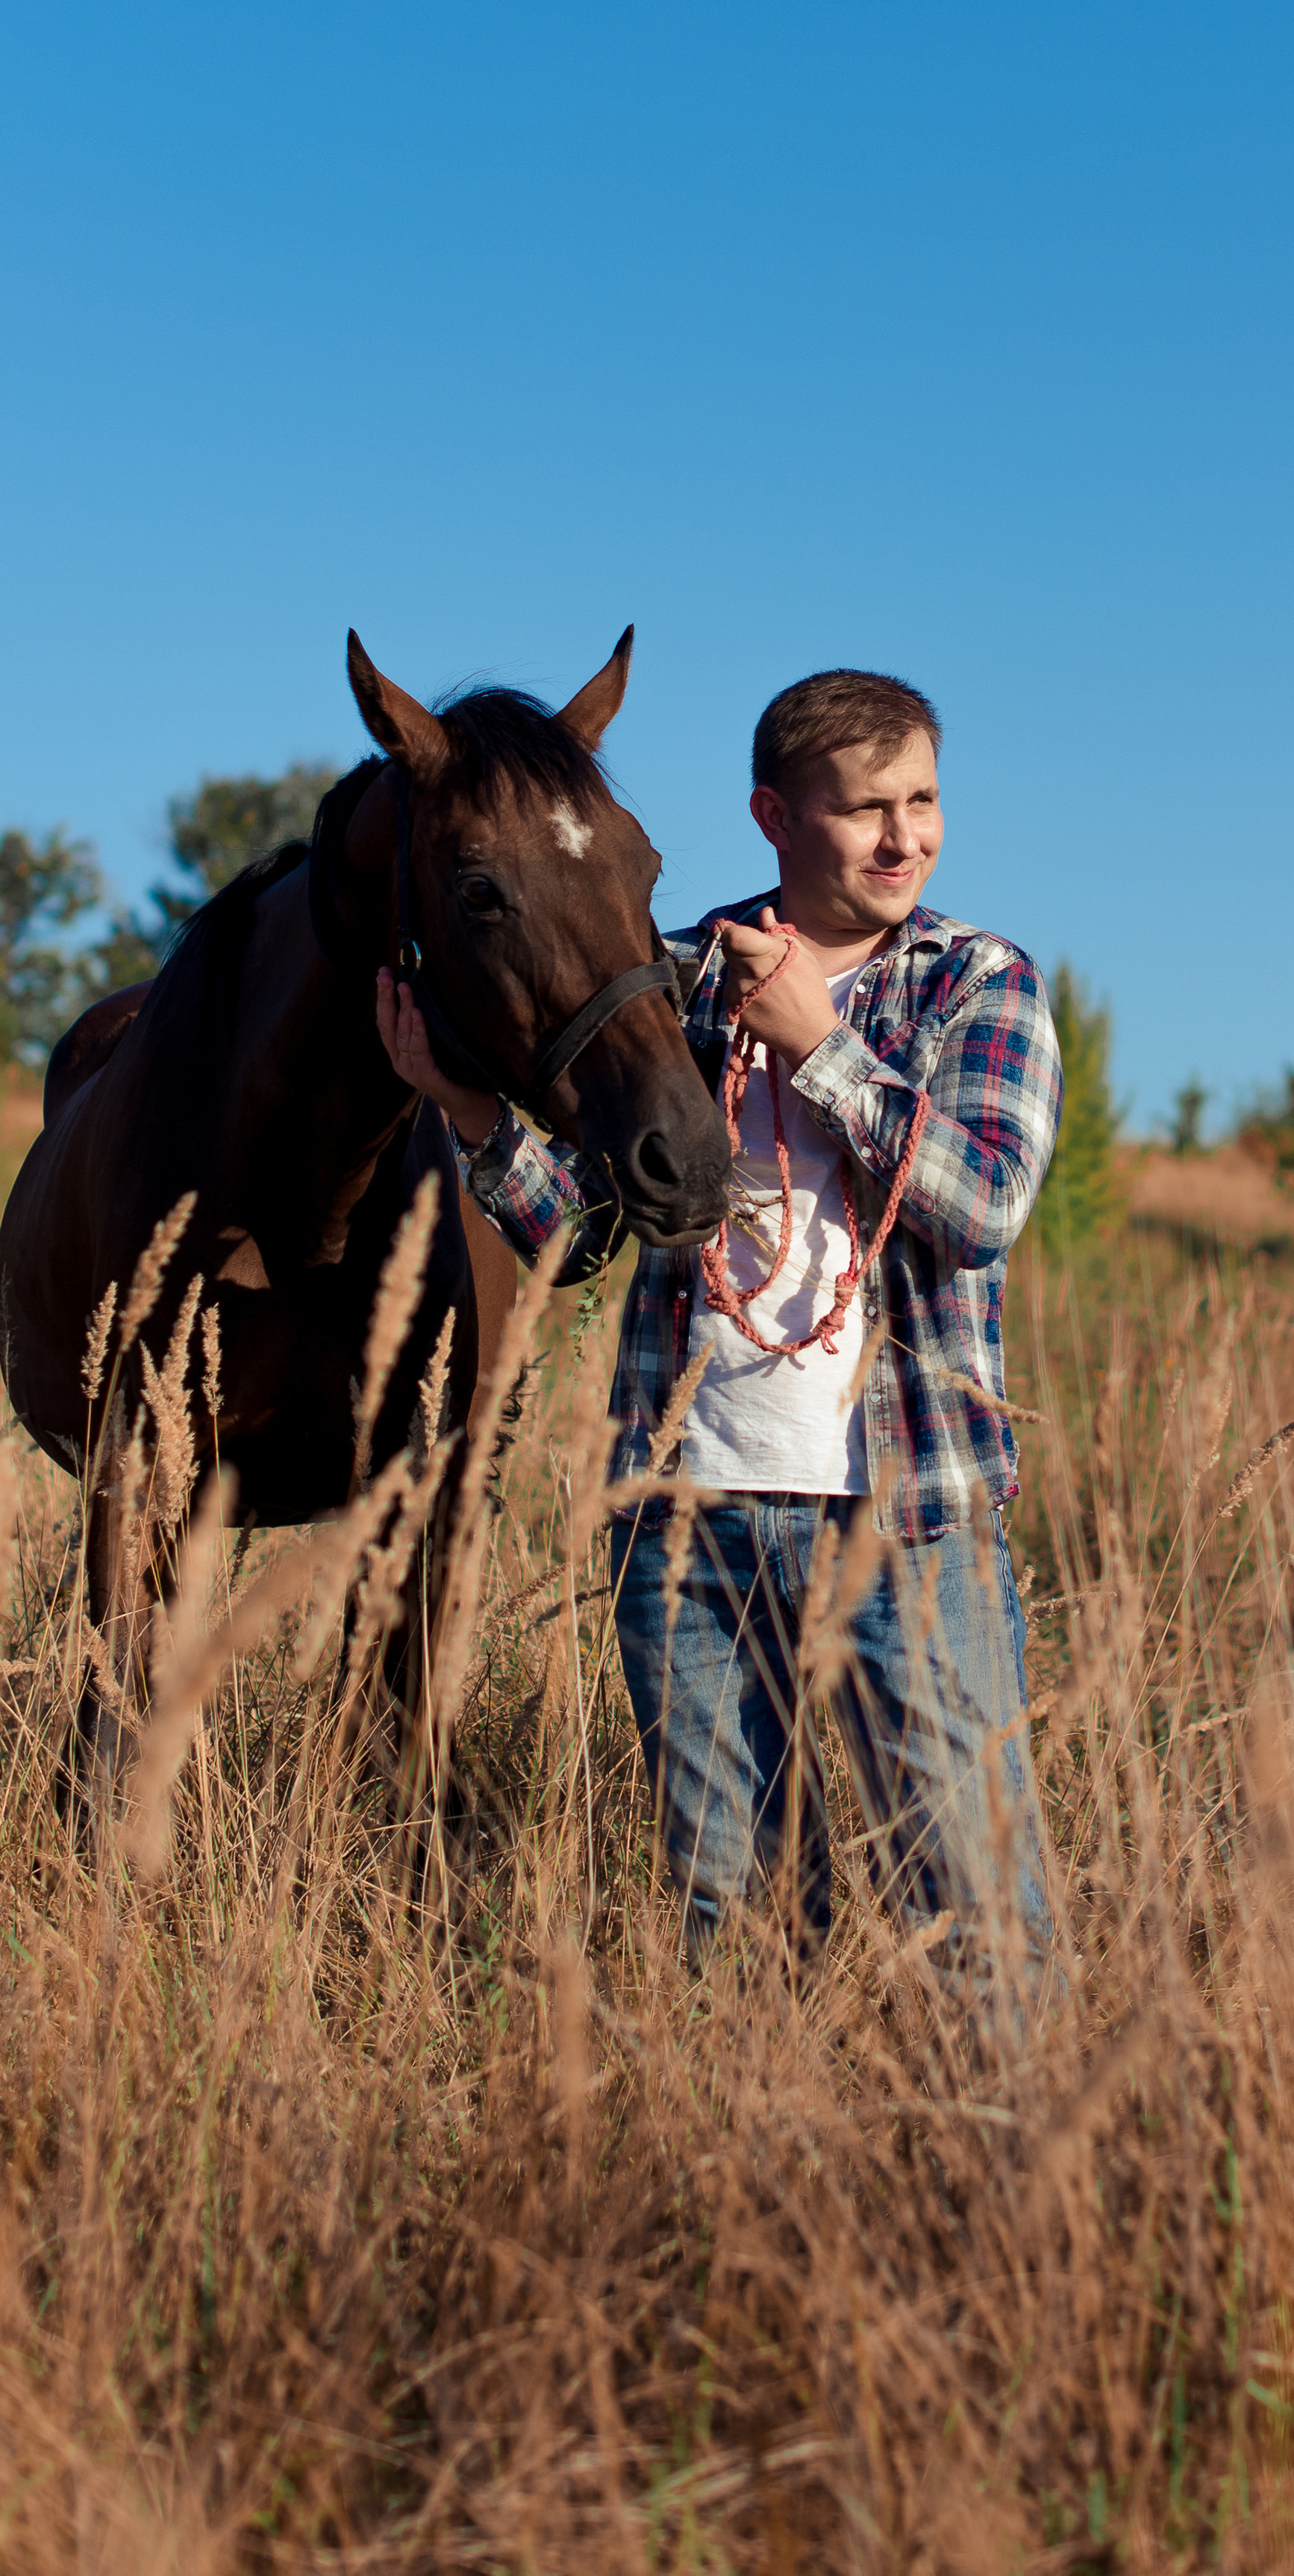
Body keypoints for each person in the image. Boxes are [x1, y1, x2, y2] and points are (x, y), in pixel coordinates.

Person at [378, 667, 1063, 1981]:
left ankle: (1015, 2123)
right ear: (774, 817)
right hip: (686, 1517)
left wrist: (818, 1043)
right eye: (866, 808)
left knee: (979, 1920)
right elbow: (584, 1234)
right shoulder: (683, 978)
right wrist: (467, 1113)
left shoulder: (976, 980)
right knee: (736, 1933)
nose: (905, 838)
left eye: (922, 802)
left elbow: (981, 1207)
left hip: (905, 1519)